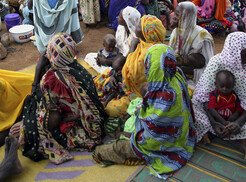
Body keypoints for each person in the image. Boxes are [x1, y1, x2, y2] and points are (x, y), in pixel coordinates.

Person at [93, 45, 195, 179]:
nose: (146, 70)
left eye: (148, 66)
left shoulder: (164, 96)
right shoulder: (176, 77)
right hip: (180, 136)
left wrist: (134, 134)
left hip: (163, 144)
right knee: (124, 127)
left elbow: (152, 135)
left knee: (100, 152)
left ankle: (139, 156)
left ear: (155, 67)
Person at [11, 33, 106, 164]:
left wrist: (38, 69)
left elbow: (49, 113)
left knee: (21, 130)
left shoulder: (51, 79)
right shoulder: (78, 69)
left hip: (74, 122)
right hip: (93, 122)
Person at [192, 32, 246, 157]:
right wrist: (213, 122)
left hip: (237, 112)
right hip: (214, 110)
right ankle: (220, 132)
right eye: (244, 51)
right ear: (235, 50)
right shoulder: (217, 62)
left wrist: (239, 122)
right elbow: (203, 96)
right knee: (193, 107)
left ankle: (221, 134)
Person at [169, 2, 214, 84]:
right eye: (174, 14)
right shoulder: (175, 32)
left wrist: (179, 69)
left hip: (196, 79)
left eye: (177, 15)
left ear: (187, 17)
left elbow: (209, 67)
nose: (174, 17)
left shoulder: (202, 37)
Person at [122, 15, 166, 98]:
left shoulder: (148, 52)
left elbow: (134, 75)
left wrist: (132, 47)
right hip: (136, 87)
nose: (136, 27)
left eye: (139, 26)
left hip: (140, 92)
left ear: (146, 32)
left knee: (111, 109)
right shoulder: (144, 43)